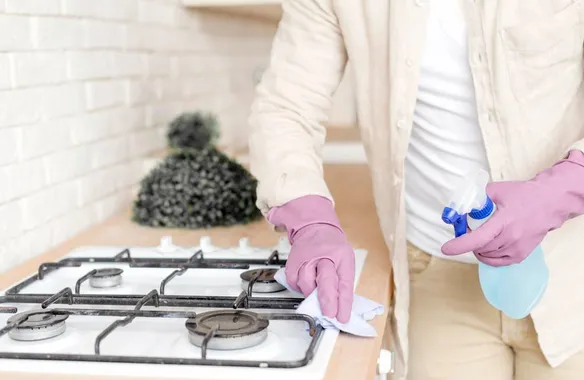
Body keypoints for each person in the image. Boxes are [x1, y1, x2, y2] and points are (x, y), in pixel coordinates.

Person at [247, 0, 584, 379]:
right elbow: (287, 105)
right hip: (436, 274)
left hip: (572, 268)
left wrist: (560, 191)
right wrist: (309, 220)